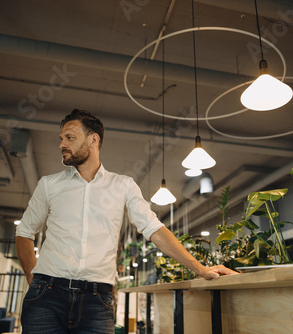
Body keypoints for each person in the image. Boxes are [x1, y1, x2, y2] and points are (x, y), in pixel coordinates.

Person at [16, 109, 236, 334]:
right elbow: (24, 232)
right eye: (61, 138)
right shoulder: (48, 185)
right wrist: (33, 280)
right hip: (47, 297)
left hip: (96, 300)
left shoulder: (123, 185)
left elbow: (155, 231)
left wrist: (200, 268)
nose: (62, 144)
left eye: (69, 138)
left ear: (94, 139)